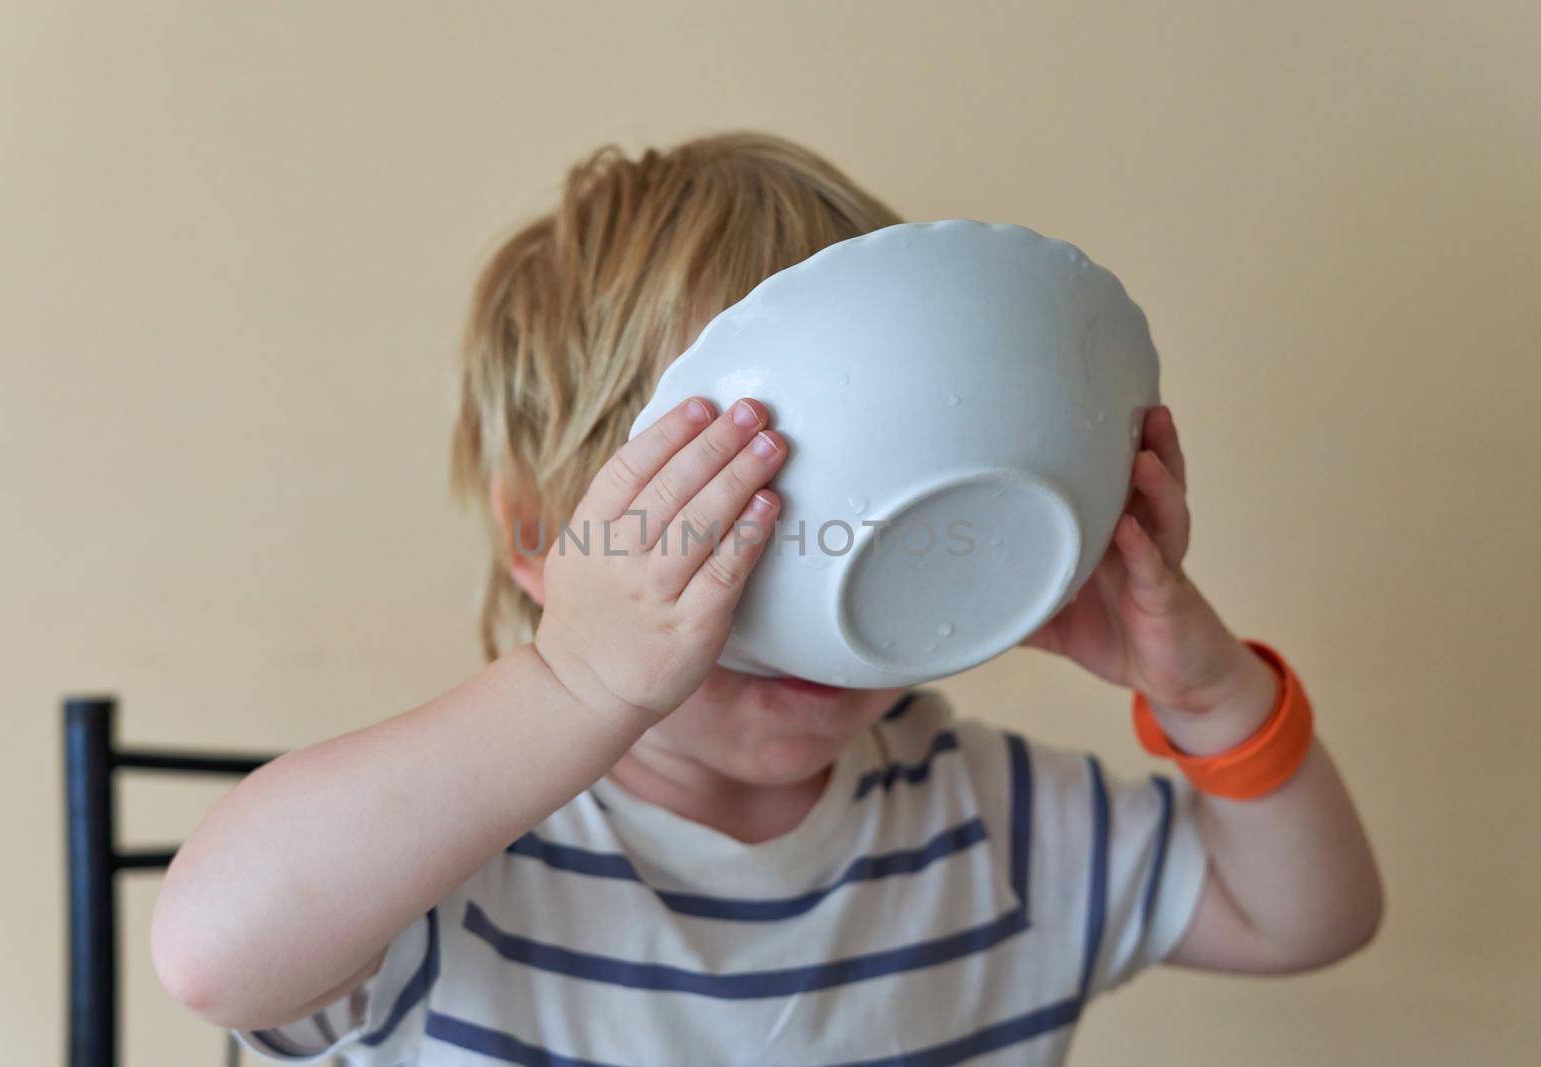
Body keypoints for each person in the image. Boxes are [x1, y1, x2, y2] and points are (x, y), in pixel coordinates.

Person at [151, 131, 1383, 1066]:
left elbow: (1305, 918)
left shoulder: (990, 823)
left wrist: (1209, 690)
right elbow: (212, 952)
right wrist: (575, 683)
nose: (816, 573)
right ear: (539, 526)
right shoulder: (450, 847)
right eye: (728, 514)